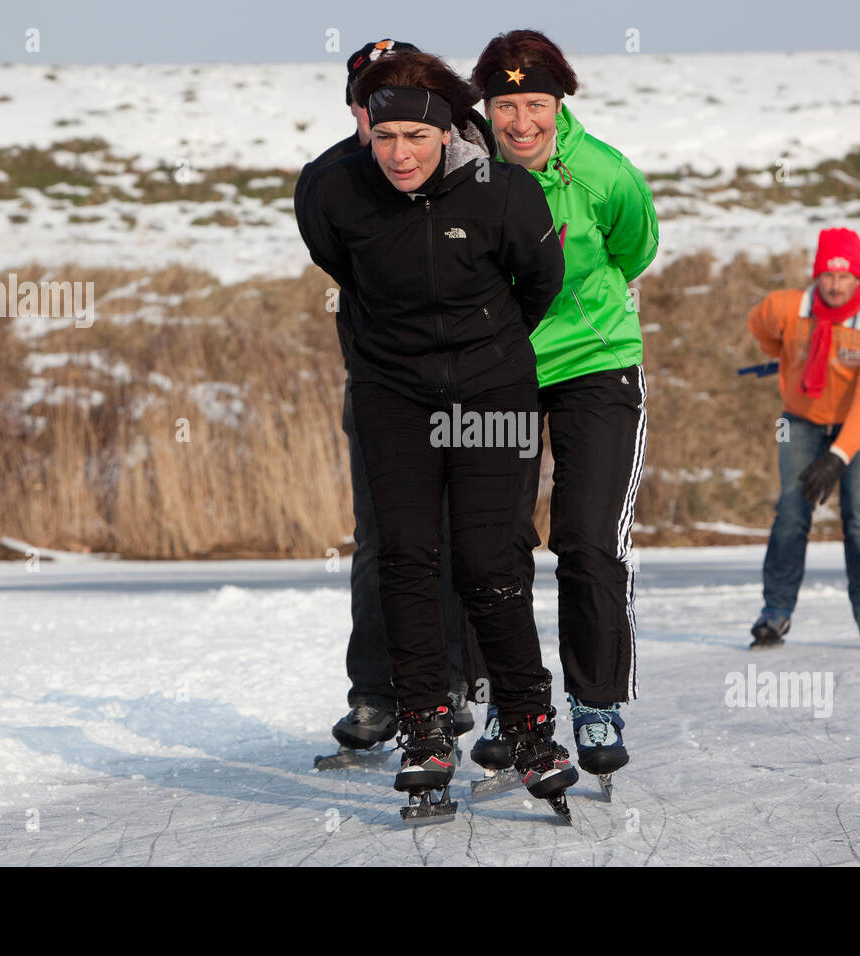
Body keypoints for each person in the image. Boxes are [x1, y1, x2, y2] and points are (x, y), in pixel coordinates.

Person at [296, 50, 577, 810]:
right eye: (383, 137)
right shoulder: (333, 190)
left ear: (445, 132)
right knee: (405, 557)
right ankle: (423, 726)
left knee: (491, 561)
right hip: (394, 396)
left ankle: (528, 725)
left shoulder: (502, 190)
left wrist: (486, 347)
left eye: (413, 138)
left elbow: (540, 280)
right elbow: (340, 267)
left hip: (492, 392)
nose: (399, 154)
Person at [467, 30, 659, 781]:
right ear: (485, 107)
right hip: (498, 373)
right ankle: (508, 702)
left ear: (559, 103)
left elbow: (634, 249)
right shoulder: (469, 174)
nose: (520, 121)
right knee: (494, 542)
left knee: (586, 539)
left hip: (596, 365)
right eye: (505, 104)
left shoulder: (604, 174)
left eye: (535, 103)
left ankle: (596, 701)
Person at [294, 40, 486, 762]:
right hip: (381, 382)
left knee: (469, 536)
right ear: (356, 109)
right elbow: (335, 261)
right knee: (383, 538)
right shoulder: (329, 182)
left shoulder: (476, 167)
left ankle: (470, 681)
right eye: (364, 100)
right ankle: (376, 692)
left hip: (475, 382)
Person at [746, 227, 860, 649]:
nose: (835, 285)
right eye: (828, 276)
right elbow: (757, 325)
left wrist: (836, 457)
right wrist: (779, 353)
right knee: (792, 513)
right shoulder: (786, 307)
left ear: (858, 278)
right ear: (817, 274)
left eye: (845, 277)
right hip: (801, 419)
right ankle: (775, 613)